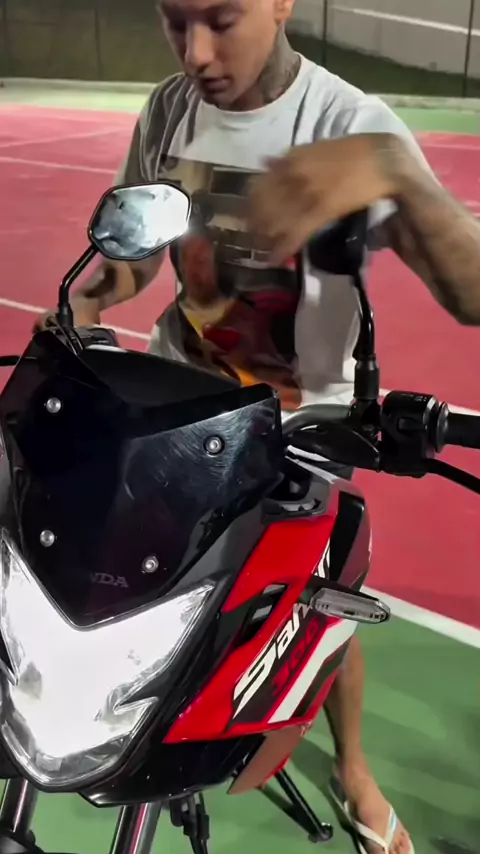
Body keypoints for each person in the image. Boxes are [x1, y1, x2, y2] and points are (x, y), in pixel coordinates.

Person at [36, 1, 480, 851]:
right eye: (176, 21)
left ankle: (353, 769)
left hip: (303, 424)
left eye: (222, 18)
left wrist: (397, 173)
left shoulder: (349, 123)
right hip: (180, 402)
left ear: (281, 3)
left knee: (312, 610)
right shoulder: (171, 109)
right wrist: (88, 301)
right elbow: (137, 255)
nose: (196, 52)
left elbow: (470, 294)